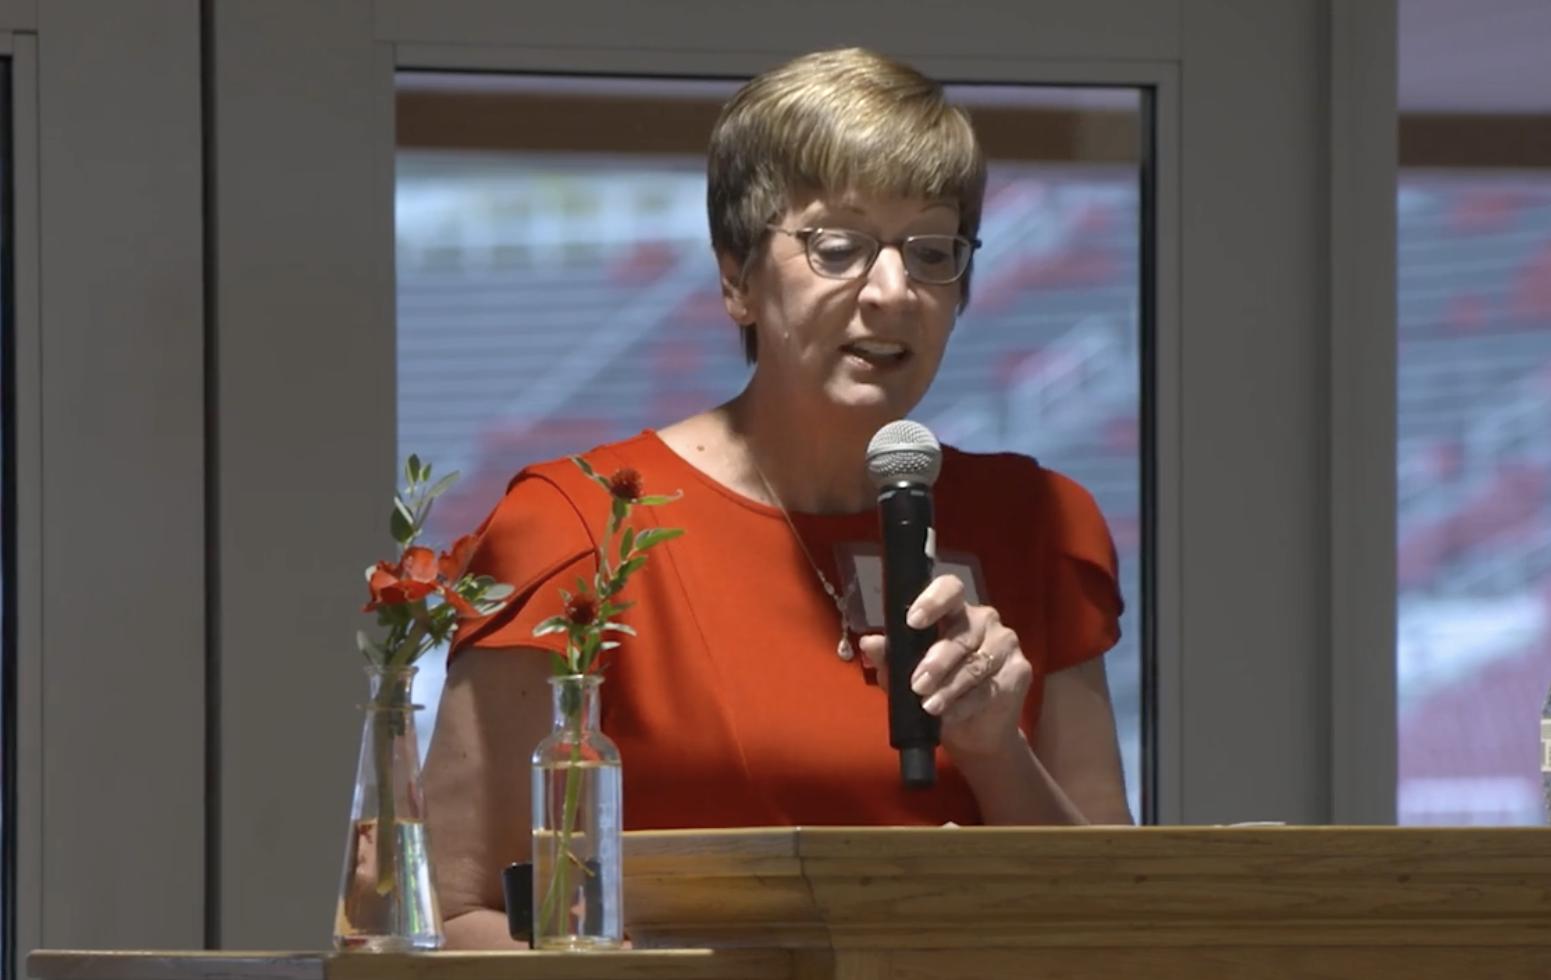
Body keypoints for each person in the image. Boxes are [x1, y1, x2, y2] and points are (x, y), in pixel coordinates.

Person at [424, 46, 1133, 950]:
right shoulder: (576, 526)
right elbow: (453, 920)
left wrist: (997, 751)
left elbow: (1113, 921)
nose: (892, 291)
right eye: (837, 246)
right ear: (737, 278)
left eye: (931, 250)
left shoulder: (1041, 522)